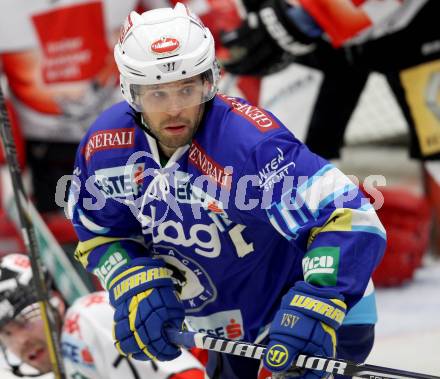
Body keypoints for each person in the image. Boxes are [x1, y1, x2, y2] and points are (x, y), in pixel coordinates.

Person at [68, 3, 386, 378]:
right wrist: (131, 275)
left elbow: (351, 217)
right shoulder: (106, 146)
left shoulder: (250, 144)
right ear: (130, 92)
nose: (175, 110)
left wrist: (319, 298)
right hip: (226, 328)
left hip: (309, 309)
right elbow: (100, 232)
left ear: (210, 81)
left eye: (187, 88)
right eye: (157, 94)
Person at [0, 253, 205, 378]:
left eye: (27, 318)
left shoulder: (87, 316)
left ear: (56, 301)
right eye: (6, 333)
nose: (21, 341)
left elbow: (187, 375)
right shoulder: (71, 357)